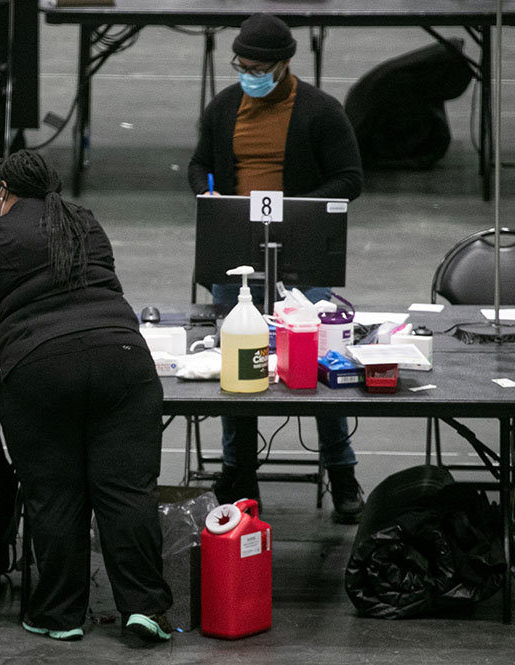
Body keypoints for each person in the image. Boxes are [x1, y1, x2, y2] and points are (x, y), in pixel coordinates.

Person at [0, 150, 174, 644]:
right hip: (123, 359)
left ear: (4, 192)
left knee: (55, 494)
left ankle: (59, 615)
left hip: (42, 368)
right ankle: (146, 610)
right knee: (128, 493)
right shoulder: (84, 222)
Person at [187, 13, 365, 524]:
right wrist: (209, 192)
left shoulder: (320, 112)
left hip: (301, 252)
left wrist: (293, 205)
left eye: (256, 66)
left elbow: (350, 179)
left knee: (317, 367)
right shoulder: (224, 107)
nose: (247, 73)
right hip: (235, 250)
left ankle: (343, 474)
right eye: (240, 65)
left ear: (283, 64)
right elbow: (200, 163)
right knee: (234, 368)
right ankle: (238, 476)